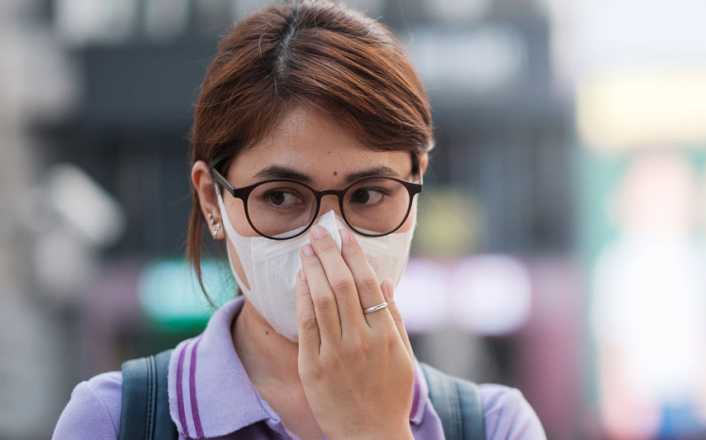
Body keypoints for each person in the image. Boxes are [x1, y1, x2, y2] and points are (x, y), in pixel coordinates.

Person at [53, 2, 545, 439]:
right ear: (212, 200)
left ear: (416, 185)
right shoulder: (117, 420)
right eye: (282, 196)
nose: (328, 237)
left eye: (369, 193)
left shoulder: (494, 425)